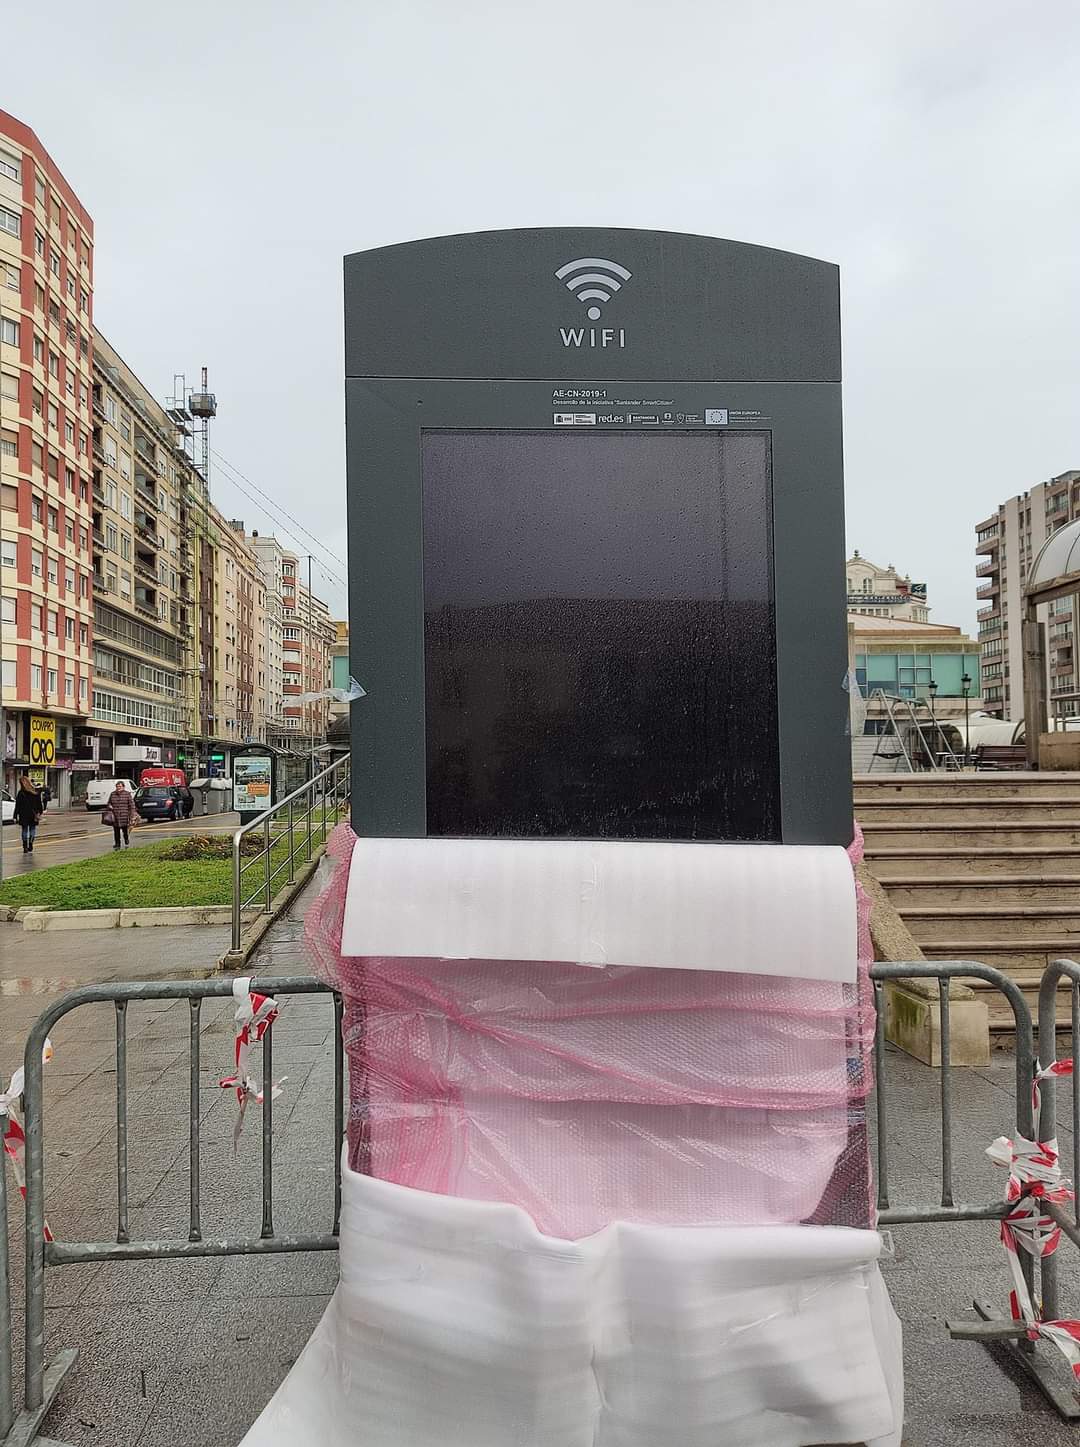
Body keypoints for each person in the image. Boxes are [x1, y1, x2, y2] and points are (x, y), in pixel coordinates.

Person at [13, 775, 43, 853]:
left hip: (24, 815)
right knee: (32, 829)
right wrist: (39, 812)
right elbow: (39, 804)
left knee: (24, 830)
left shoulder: (21, 793)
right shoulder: (35, 792)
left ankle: (25, 847)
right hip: (33, 815)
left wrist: (15, 816)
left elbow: (17, 805)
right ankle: (31, 843)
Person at [105, 780, 137, 850]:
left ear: (123, 787)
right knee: (116, 831)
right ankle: (117, 844)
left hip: (124, 816)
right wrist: (110, 806)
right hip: (115, 816)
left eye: (120, 786)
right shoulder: (112, 794)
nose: (118, 788)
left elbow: (131, 805)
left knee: (125, 830)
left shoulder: (127, 794)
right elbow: (109, 803)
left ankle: (126, 839)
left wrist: (132, 814)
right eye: (117, 786)